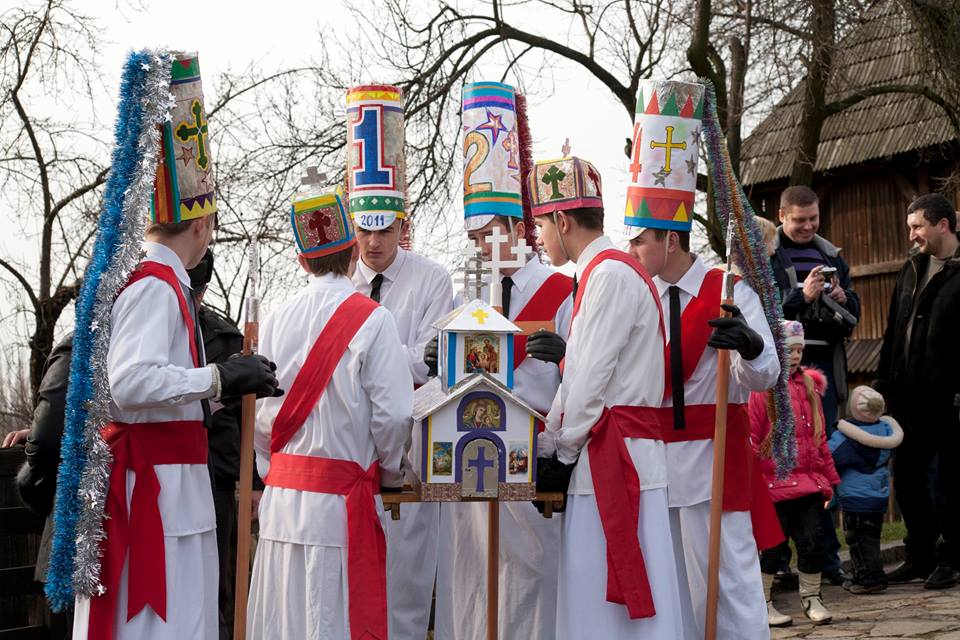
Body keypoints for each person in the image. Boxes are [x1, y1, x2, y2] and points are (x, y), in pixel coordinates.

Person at [72, 52, 282, 639]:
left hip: (170, 493)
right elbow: (130, 384)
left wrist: (224, 388)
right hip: (158, 499)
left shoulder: (162, 284)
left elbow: (159, 389)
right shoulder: (157, 287)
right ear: (201, 225)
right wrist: (217, 378)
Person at [247, 189, 412, 639]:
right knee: (330, 621)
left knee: (285, 621)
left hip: (282, 503)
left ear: (303, 261)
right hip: (340, 507)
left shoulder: (277, 318)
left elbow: (262, 416)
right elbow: (395, 416)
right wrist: (391, 473)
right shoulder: (375, 320)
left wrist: (272, 469)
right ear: (352, 249)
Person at [533, 155, 684, 639]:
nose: (540, 238)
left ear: (561, 219)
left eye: (541, 225)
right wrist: (550, 442)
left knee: (602, 597)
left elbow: (589, 378)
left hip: (616, 457)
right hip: (611, 453)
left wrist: (562, 449)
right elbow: (576, 371)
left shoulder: (609, 276)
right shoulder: (603, 273)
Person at [627, 223, 780, 640]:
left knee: (730, 581)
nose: (632, 248)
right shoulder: (635, 295)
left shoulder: (729, 290)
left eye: (639, 239)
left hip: (715, 455)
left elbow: (766, 376)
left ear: (670, 240)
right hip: (651, 463)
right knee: (668, 585)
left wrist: (750, 346)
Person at [345, 83, 454, 640]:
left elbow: (431, 366)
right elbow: (408, 361)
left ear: (402, 224)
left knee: (409, 589)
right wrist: (400, 364)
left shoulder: (433, 280)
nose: (372, 242)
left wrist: (374, 369)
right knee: (351, 592)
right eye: (363, 229)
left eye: (383, 229)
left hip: (410, 450)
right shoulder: (337, 283)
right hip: (347, 451)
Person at [433, 211, 572, 640]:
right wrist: (436, 360)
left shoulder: (562, 291)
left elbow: (590, 378)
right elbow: (452, 380)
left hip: (535, 452)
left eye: (489, 234)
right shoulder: (469, 297)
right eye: (474, 238)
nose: (482, 247)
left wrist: (567, 355)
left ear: (517, 229)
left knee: (535, 574)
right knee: (474, 572)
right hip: (471, 451)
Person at [770, 185, 859, 585]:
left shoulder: (832, 255)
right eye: (799, 220)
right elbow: (764, 307)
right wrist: (800, 296)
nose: (808, 226)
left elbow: (855, 312)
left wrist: (841, 296)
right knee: (785, 464)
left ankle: (826, 559)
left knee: (821, 464)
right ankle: (782, 561)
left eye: (813, 219)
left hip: (826, 371)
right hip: (786, 372)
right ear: (782, 216)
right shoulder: (771, 256)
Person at [875, 192, 960, 589]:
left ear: (942, 224)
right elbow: (893, 331)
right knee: (907, 477)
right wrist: (882, 384)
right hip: (907, 395)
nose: (912, 235)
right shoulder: (911, 268)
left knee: (949, 482)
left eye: (917, 226)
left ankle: (953, 558)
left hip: (950, 398)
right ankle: (920, 555)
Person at [187, 249, 265, 640]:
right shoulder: (144, 320)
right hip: (164, 474)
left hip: (215, 477)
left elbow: (244, 416)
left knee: (219, 584)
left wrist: (253, 483)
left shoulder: (223, 334)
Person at [749, 320, 841, 627]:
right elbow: (751, 436)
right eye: (790, 349)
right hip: (772, 484)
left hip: (808, 484)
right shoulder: (762, 390)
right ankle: (762, 602)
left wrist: (831, 480)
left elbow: (819, 439)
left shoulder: (810, 388)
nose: (797, 355)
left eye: (800, 349)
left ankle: (812, 597)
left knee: (814, 541)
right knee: (773, 547)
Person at [829, 386, 903, 594]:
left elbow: (831, 457)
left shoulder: (846, 438)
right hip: (877, 496)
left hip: (855, 497)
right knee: (871, 537)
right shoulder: (886, 432)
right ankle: (871, 574)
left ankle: (868, 579)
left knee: (857, 540)